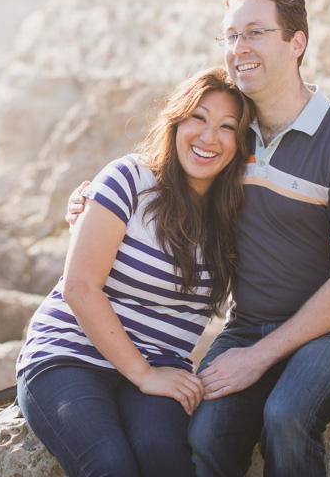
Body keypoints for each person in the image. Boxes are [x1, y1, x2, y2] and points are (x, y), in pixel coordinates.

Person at [67, 0, 330, 476]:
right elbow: (167, 172)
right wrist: (90, 202)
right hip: (248, 325)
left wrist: (258, 357)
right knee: (204, 434)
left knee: (286, 417)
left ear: (296, 43)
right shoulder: (233, 137)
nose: (239, 48)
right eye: (231, 35)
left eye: (256, 32)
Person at [16, 68, 256, 477]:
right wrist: (142, 374)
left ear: (242, 143)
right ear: (177, 120)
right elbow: (79, 286)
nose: (208, 137)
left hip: (164, 364)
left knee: (170, 460)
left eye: (227, 127)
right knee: (111, 467)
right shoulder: (129, 178)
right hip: (70, 355)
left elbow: (296, 255)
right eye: (198, 117)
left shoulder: (239, 214)